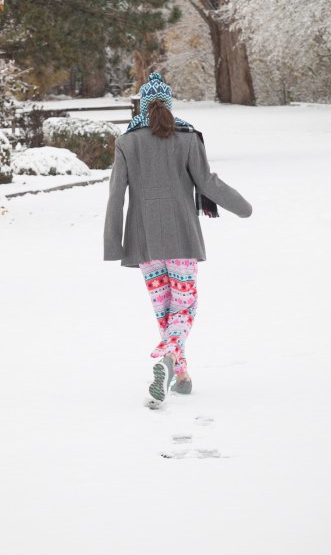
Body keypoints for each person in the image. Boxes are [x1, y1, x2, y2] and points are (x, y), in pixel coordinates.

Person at [104, 71, 252, 404]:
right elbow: (208, 183)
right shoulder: (188, 137)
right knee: (184, 306)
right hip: (182, 235)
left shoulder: (126, 141)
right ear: (169, 105)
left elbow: (116, 195)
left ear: (141, 106)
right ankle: (169, 358)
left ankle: (180, 374)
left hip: (143, 241)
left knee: (164, 311)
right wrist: (243, 207)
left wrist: (114, 243)